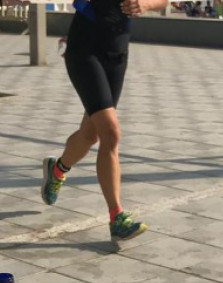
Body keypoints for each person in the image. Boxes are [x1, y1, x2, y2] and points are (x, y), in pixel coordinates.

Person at [40, 0, 167, 243]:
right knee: (111, 133)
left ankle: (57, 170)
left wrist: (146, 4)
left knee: (91, 135)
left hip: (117, 53)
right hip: (85, 49)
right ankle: (116, 217)